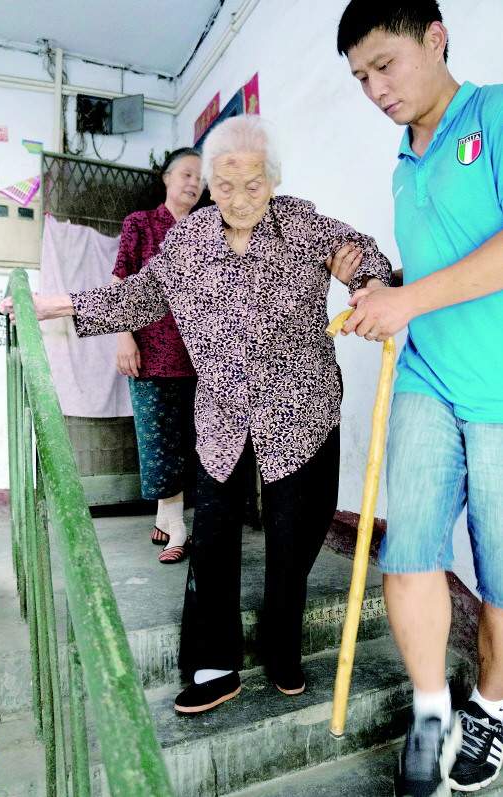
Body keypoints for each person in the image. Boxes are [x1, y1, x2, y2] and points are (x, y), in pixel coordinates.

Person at [1, 114, 391, 715]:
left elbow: (364, 256)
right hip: (222, 412)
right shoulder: (191, 239)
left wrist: (366, 282)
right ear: (210, 182)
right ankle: (214, 663)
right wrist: (58, 304)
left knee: (295, 536)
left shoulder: (303, 223)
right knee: (212, 536)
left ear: (273, 180)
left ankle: (282, 645)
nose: (238, 199)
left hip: (302, 404)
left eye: (252, 185)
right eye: (224, 185)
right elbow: (140, 295)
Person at [337, 2, 503, 795]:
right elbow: (436, 269)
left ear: (435, 39)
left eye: (385, 64)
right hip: (427, 377)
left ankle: (492, 707)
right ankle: (431, 711)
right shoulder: (404, 162)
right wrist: (386, 291)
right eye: (360, 77)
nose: (375, 89)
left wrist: (407, 298)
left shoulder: (494, 113)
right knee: (409, 553)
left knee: (501, 578)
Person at [113, 148, 203, 564]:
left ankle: (166, 517)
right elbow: (120, 283)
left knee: (190, 442)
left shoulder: (208, 230)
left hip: (202, 356)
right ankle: (177, 526)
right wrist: (123, 337)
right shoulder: (141, 224)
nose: (194, 182)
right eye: (186, 174)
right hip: (151, 352)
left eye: (200, 177)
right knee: (158, 442)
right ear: (166, 178)